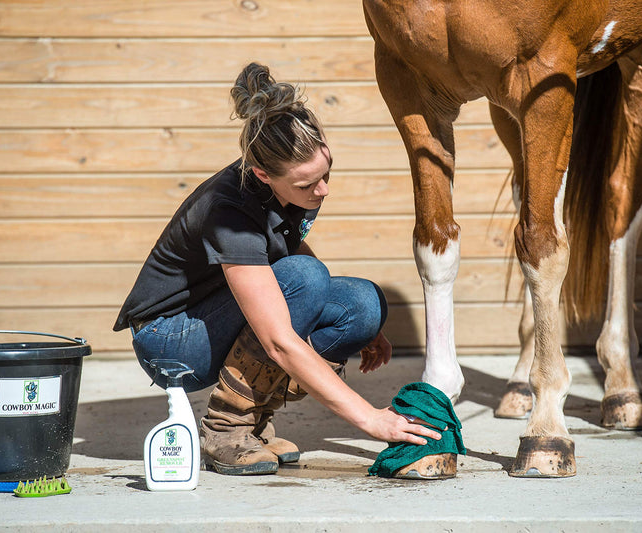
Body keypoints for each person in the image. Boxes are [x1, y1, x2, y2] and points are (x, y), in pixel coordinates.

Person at [114, 63, 440, 475]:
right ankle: (226, 429)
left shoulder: (292, 185)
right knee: (303, 277)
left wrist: (362, 325)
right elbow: (279, 341)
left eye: (327, 172)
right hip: (169, 341)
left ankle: (254, 423)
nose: (322, 190)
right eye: (307, 185)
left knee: (363, 303)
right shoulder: (228, 209)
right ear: (262, 175)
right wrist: (369, 418)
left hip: (214, 315)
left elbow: (288, 244)